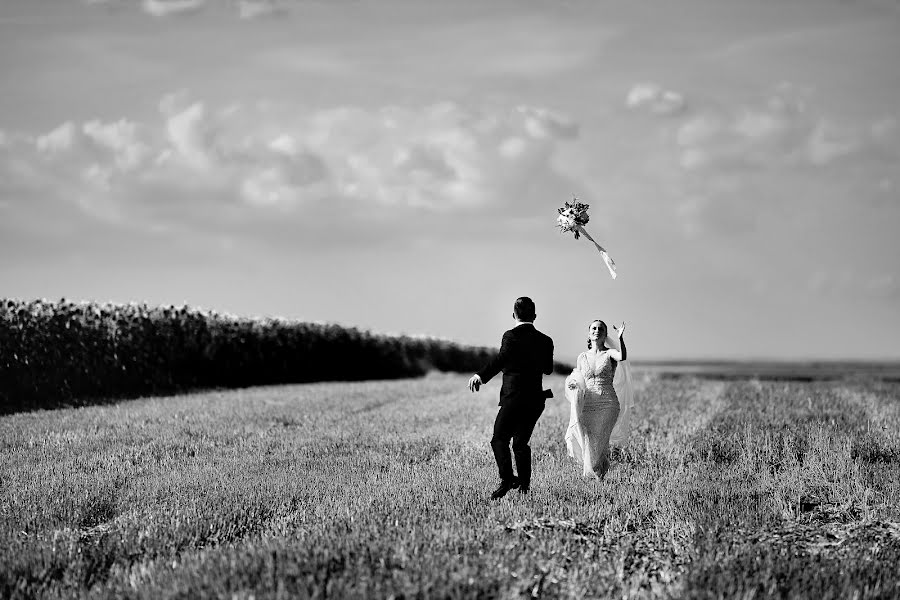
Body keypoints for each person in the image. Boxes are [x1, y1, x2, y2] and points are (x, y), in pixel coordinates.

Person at [468, 297, 554, 500]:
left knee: (499, 439)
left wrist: (480, 375)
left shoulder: (510, 336)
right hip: (535, 400)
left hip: (513, 398)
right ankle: (524, 487)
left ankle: (507, 479)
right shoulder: (546, 340)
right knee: (520, 444)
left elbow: (501, 359)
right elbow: (548, 369)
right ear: (534, 316)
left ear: (513, 315)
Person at [564, 319, 633, 479]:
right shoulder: (581, 357)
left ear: (605, 334)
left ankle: (593, 476)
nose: (597, 330)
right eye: (594, 328)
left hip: (608, 404)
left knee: (600, 441)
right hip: (587, 404)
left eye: (600, 328)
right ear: (589, 333)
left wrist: (621, 337)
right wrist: (573, 384)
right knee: (588, 441)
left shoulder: (609, 354)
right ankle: (596, 476)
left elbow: (622, 356)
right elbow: (578, 378)